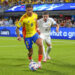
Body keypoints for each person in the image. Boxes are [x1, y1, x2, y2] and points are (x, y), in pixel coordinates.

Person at [16, 4, 43, 68]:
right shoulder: (23, 18)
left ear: (32, 9)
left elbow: (36, 22)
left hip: (34, 34)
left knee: (40, 45)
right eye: (28, 10)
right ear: (26, 10)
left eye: (31, 10)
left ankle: (39, 62)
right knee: (31, 51)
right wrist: (19, 36)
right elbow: (17, 28)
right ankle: (30, 58)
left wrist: (37, 29)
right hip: (27, 36)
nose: (30, 11)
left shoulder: (35, 15)